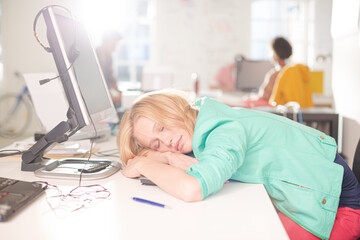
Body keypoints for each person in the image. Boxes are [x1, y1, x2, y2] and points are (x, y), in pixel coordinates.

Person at [118, 89, 360, 240]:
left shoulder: (223, 130)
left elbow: (193, 189)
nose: (167, 141)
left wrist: (142, 164)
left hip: (338, 211)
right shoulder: (202, 118)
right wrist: (167, 157)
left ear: (171, 108)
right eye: (156, 143)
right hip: (310, 201)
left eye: (161, 127)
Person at [96, 30, 122, 108]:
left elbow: (111, 79)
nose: (115, 48)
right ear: (105, 42)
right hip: (98, 98)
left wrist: (120, 93)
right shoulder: (94, 57)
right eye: (114, 44)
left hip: (106, 95)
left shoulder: (109, 58)